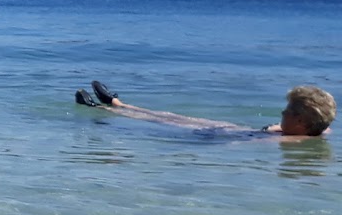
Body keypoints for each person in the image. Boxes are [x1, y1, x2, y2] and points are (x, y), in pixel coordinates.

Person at [76, 79, 334, 138]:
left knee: (160, 121)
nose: (281, 113)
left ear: (300, 120)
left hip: (216, 135)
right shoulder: (312, 131)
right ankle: (117, 102)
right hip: (229, 129)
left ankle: (101, 108)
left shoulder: (293, 141)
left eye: (287, 111)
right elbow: (325, 128)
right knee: (167, 115)